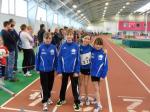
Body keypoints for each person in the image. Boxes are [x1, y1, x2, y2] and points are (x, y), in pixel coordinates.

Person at [56, 29, 81, 111]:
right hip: (64, 70)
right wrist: (59, 71)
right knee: (63, 86)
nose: (69, 36)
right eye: (68, 35)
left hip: (73, 71)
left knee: (74, 87)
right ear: (65, 36)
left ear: (73, 36)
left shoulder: (76, 46)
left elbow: (78, 60)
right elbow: (59, 59)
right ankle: (62, 99)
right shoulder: (62, 46)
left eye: (71, 35)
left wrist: (77, 71)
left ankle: (77, 102)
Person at [36, 32, 57, 111]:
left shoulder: (54, 47)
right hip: (43, 70)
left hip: (51, 70)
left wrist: (56, 68)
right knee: (45, 86)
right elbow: (37, 58)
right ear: (43, 39)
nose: (48, 40)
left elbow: (56, 58)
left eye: (49, 38)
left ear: (51, 39)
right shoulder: (40, 47)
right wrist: (37, 68)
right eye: (46, 38)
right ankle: (44, 102)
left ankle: (48, 97)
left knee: (50, 85)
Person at [90, 38, 108, 112]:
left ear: (102, 45)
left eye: (100, 44)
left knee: (97, 89)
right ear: (94, 44)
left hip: (100, 74)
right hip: (93, 73)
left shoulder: (104, 53)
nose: (98, 46)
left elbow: (106, 65)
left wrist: (103, 76)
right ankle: (96, 99)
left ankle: (99, 104)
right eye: (96, 44)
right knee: (96, 88)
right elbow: (89, 45)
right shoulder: (92, 51)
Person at [79, 35, 92, 106]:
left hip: (87, 68)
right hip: (80, 69)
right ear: (83, 39)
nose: (87, 40)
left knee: (86, 84)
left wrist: (104, 51)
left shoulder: (91, 47)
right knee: (80, 84)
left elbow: (97, 51)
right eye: (85, 38)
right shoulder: (79, 47)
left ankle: (87, 97)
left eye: (88, 39)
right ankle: (79, 97)